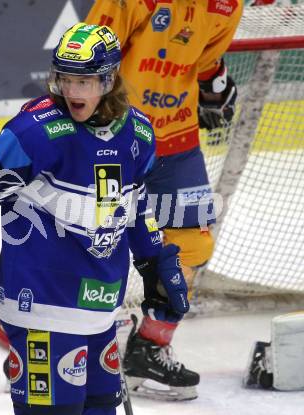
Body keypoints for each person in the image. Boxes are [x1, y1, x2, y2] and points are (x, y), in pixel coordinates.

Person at [0, 23, 190, 415]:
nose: (72, 92)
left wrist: (154, 261)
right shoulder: (34, 131)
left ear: (109, 79)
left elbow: (134, 205)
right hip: (40, 305)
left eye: (83, 81)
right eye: (64, 79)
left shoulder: (138, 133)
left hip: (101, 310)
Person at [86, 0, 243, 400]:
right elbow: (87, 54)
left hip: (178, 137)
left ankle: (149, 349)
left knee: (191, 244)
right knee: (96, 241)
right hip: (118, 133)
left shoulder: (227, 6)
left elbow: (206, 56)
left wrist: (213, 82)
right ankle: (66, 336)